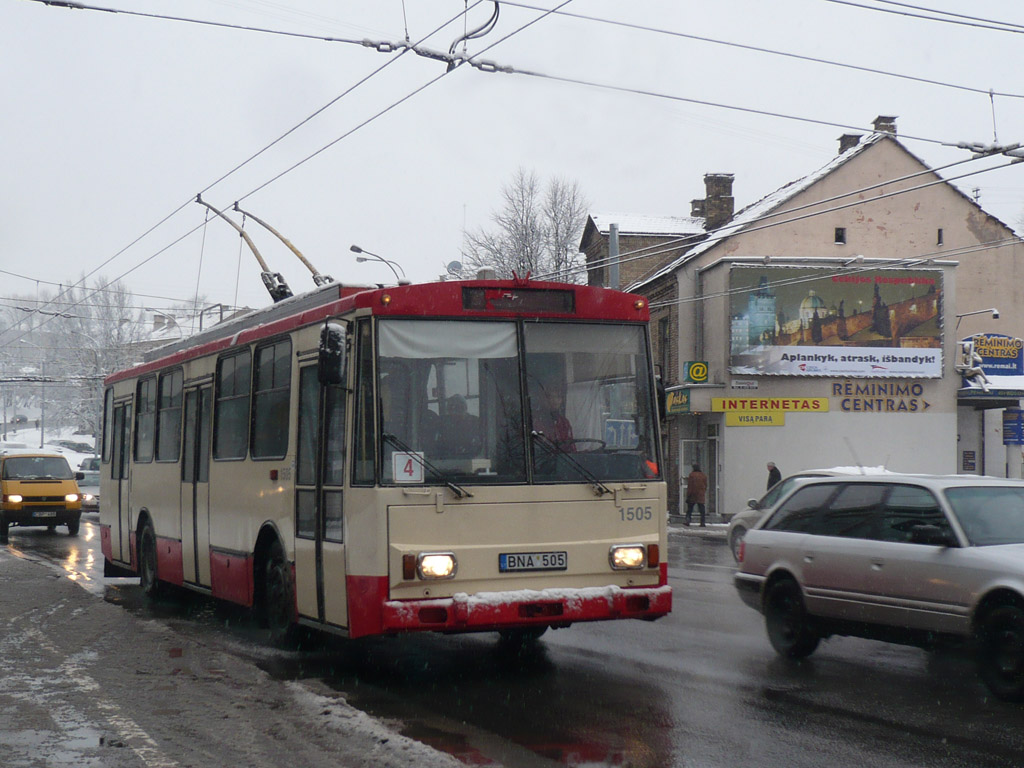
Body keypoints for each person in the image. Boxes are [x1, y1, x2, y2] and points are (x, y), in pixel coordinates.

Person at [533, 387, 575, 451]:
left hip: (564, 459)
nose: (555, 400)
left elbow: (571, 448)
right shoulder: (536, 421)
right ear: (544, 400)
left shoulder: (564, 423)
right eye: (550, 397)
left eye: (558, 397)